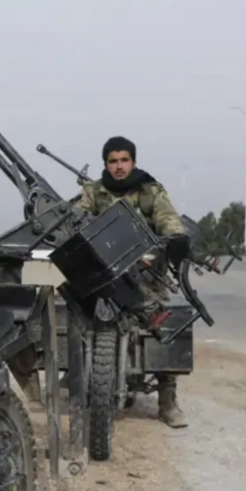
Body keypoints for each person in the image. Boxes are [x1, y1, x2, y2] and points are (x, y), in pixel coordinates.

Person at [76, 135, 190, 429]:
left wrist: (175, 236)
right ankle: (77, 377)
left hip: (145, 273)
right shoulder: (94, 192)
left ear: (134, 161)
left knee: (163, 326)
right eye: (113, 161)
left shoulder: (150, 190)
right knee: (74, 315)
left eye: (124, 160)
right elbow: (77, 217)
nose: (119, 166)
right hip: (104, 273)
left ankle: (167, 400)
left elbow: (167, 216)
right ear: (106, 164)